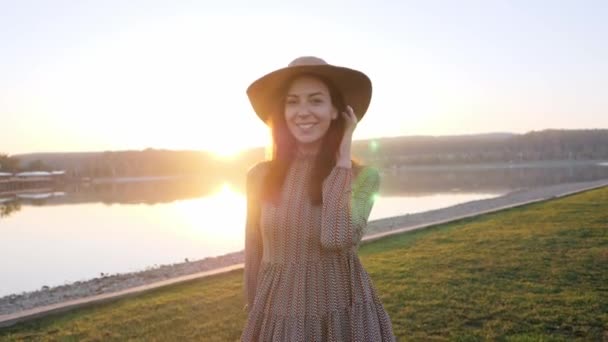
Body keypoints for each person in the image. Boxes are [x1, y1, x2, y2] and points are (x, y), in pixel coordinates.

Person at [241, 56, 395, 341]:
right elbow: (254, 250)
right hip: (278, 315)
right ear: (282, 111)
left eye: (315, 100)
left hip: (344, 315)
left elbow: (336, 237)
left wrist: (343, 162)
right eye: (292, 101)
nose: (303, 111)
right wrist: (255, 312)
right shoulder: (260, 176)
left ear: (337, 110)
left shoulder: (364, 177)